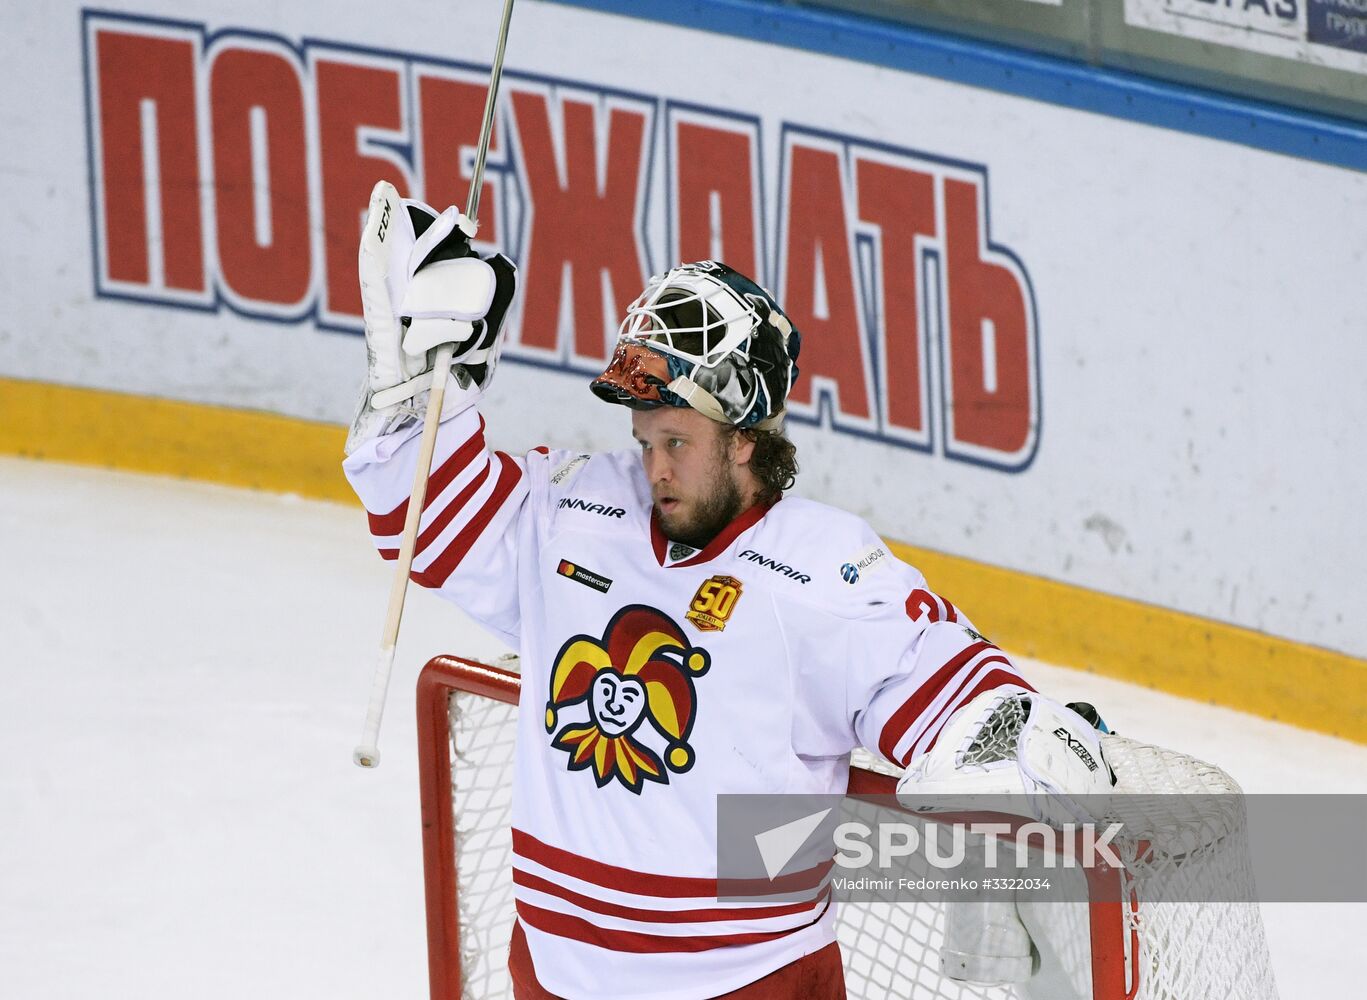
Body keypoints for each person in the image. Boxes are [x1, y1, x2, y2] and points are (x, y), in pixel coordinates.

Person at [342, 183, 1110, 999]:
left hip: (745, 983)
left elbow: (970, 700)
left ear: (747, 436)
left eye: (677, 440)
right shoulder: (572, 508)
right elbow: (429, 528)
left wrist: (1006, 771)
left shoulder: (823, 570)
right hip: (554, 976)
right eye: (643, 440)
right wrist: (424, 395)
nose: (654, 467)